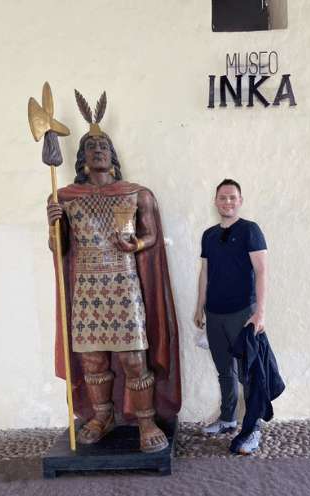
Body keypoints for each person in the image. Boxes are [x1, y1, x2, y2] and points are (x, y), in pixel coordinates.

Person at [46, 90, 181, 453]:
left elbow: (151, 236)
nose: (98, 150)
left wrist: (135, 245)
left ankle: (146, 420)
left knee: (134, 357)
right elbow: (59, 249)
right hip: (87, 285)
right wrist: (52, 224)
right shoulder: (65, 197)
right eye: (91, 148)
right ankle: (102, 415)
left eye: (103, 146)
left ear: (113, 155)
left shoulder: (137, 194)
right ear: (83, 159)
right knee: (92, 359)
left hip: (124, 284)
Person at [195, 179, 268, 454]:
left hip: (243, 313)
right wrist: (199, 306)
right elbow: (205, 272)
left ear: (240, 201)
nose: (227, 202)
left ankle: (252, 431)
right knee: (224, 370)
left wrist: (259, 312)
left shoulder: (250, 230)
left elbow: (262, 271)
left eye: (232, 198)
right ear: (216, 201)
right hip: (214, 313)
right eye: (223, 198)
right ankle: (228, 419)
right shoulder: (209, 235)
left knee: (249, 375)